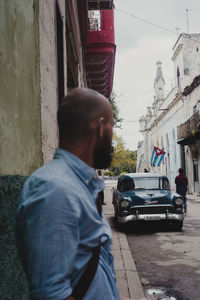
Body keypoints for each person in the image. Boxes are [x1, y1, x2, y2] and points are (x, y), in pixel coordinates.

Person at [15, 88, 143, 300]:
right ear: (100, 127)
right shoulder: (54, 190)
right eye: (112, 128)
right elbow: (52, 295)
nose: (112, 139)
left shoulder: (78, 186)